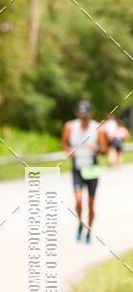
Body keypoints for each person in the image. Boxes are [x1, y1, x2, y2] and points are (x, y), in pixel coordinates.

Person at [61, 99, 107, 244]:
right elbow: (64, 143)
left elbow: (105, 150)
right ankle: (80, 222)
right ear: (77, 114)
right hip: (78, 168)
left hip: (92, 170)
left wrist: (98, 149)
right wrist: (68, 150)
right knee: (79, 200)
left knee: (91, 204)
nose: (83, 118)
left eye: (86, 115)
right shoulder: (69, 126)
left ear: (90, 114)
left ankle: (89, 231)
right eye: (81, 115)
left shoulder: (98, 128)